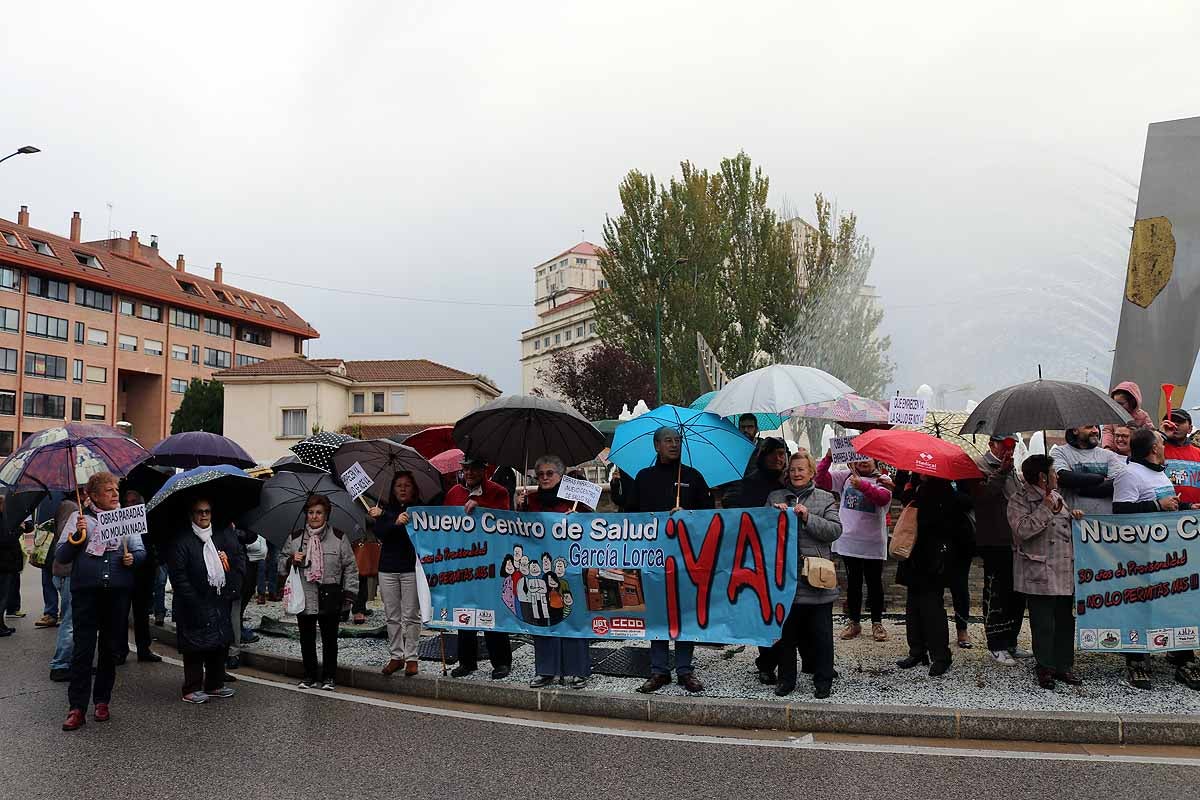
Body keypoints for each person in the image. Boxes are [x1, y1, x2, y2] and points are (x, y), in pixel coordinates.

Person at [55, 473, 147, 731]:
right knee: (83, 650)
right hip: (86, 593)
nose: (115, 494)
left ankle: (102, 701)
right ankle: (77, 707)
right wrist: (78, 538)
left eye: (115, 489)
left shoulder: (126, 517)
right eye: (108, 490)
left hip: (116, 593)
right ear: (92, 496)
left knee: (109, 649)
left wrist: (134, 559)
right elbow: (61, 556)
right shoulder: (79, 519)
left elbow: (141, 552)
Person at [625, 427, 713, 694]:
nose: (674, 445)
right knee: (657, 613)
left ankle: (685, 669)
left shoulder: (693, 477)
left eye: (677, 440)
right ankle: (659, 670)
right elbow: (628, 514)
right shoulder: (643, 477)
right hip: (652, 557)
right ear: (656, 446)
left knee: (684, 613)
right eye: (668, 441)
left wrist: (689, 514)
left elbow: (711, 517)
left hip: (685, 558)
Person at [1113, 427, 1200, 690]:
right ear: (1153, 449)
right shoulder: (1129, 474)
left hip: (1169, 554)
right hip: (1140, 555)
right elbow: (1120, 511)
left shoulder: (1160, 474)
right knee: (1138, 605)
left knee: (1175, 603)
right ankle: (1137, 660)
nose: (1164, 446)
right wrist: (1155, 507)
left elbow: (1167, 505)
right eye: (1161, 443)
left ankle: (1184, 659)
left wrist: (1186, 508)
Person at [767, 451, 842, 698]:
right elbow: (760, 531)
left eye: (802, 469)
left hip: (816, 579)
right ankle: (786, 679)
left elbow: (834, 530)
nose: (796, 473)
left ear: (812, 472)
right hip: (784, 578)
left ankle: (823, 680)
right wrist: (773, 518)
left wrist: (808, 517)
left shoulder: (825, 498)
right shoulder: (774, 497)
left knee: (821, 635)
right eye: (793, 469)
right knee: (786, 635)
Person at [1008, 455, 1085, 690]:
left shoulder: (1058, 496)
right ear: (1042, 477)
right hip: (1038, 569)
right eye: (1053, 472)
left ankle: (1064, 665)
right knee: (1043, 623)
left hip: (1063, 569)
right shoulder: (1019, 499)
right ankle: (1045, 667)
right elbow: (1022, 530)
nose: (1057, 476)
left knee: (1064, 620)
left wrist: (1074, 517)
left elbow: (1063, 525)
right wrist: (1044, 508)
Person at [516, 455, 590, 689]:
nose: (545, 478)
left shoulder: (576, 500)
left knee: (573, 617)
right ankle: (546, 670)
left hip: (570, 569)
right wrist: (518, 510)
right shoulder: (530, 500)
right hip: (540, 570)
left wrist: (579, 519)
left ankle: (577, 671)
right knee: (542, 620)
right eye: (540, 475)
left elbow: (595, 526)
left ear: (560, 475)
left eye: (550, 473)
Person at [166, 497, 245, 703]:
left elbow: (235, 559)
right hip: (193, 601)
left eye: (207, 511)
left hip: (218, 598)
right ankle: (191, 688)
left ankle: (214, 684)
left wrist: (231, 588)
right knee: (194, 645)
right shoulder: (182, 541)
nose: (204, 515)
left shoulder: (220, 536)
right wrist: (193, 600)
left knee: (218, 642)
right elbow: (179, 576)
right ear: (192, 515)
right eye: (199, 511)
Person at [894, 472, 973, 677]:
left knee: (932, 607)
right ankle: (917, 650)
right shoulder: (914, 483)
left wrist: (919, 496)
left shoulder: (945, 489)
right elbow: (902, 498)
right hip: (914, 553)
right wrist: (907, 485)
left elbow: (950, 514)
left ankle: (941, 655)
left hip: (935, 556)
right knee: (913, 606)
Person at [277, 494, 360, 690]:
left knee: (330, 638)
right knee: (306, 638)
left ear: (326, 515)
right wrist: (291, 560)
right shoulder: (295, 538)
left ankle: (329, 676)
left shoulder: (339, 537)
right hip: (304, 595)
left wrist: (349, 595)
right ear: (306, 514)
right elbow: (280, 565)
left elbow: (350, 567)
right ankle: (309, 675)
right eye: (311, 512)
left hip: (330, 593)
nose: (314, 516)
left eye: (319, 513)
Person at [444, 455, 512, 679]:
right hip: (462, 563)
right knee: (464, 613)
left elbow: (505, 520)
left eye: (474, 469)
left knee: (492, 612)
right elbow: (443, 525)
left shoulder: (498, 491)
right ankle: (467, 662)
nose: (470, 473)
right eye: (466, 469)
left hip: (490, 563)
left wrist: (481, 505)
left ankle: (501, 662)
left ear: (484, 470)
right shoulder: (453, 493)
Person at [816, 450, 893, 643]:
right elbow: (821, 480)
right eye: (858, 457)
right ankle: (854, 621)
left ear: (875, 458)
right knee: (854, 584)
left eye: (867, 456)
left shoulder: (883, 479)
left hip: (873, 542)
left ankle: (877, 622)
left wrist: (863, 486)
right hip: (849, 542)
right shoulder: (846, 477)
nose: (863, 461)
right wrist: (828, 459)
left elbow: (882, 499)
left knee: (875, 584)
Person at [966, 435, 1029, 666]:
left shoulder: (1012, 467)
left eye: (1011, 443)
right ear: (992, 444)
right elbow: (981, 496)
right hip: (994, 539)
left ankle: (1011, 640)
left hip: (1015, 538)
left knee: (1017, 594)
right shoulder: (978, 465)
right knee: (996, 592)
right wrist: (1001, 471)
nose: (1008, 448)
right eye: (1004, 443)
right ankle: (996, 644)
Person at [368, 472, 423, 677]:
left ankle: (412, 657)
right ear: (392, 489)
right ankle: (396, 656)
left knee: (411, 615)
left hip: (410, 568)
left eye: (407, 485)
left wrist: (400, 524)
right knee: (392, 616)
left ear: (414, 488)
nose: (402, 489)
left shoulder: (419, 510)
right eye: (398, 485)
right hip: (388, 568)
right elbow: (381, 533)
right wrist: (392, 522)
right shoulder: (384, 510)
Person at [120, 488, 161, 664]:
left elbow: (155, 541)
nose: (130, 506)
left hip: (144, 572)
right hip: (123, 571)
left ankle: (144, 649)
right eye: (127, 502)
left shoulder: (150, 519)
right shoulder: (117, 520)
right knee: (121, 612)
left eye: (134, 502)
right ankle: (120, 650)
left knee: (142, 613)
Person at [1051, 425, 1125, 516]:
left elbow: (1117, 484)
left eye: (1096, 427)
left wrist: (1078, 488)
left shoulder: (1108, 455)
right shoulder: (1060, 452)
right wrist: (1100, 478)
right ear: (1075, 430)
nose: (1095, 431)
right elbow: (1064, 478)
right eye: (1089, 427)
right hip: (1074, 521)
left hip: (1106, 521)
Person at [48, 497, 80, 681]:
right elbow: (65, 537)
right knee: (70, 619)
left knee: (72, 618)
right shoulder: (71, 508)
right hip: (67, 572)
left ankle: (71, 661)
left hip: (65, 572)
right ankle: (60, 664)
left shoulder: (70, 507)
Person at [1162, 409, 1200, 507]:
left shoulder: (1198, 453)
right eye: (1170, 421)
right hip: (1162, 516)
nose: (1174, 425)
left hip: (1195, 515)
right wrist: (1161, 435)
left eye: (1180, 422)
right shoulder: (1155, 450)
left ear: (1190, 428)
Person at [1101, 381, 1153, 450]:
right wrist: (1107, 447)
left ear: (1132, 402)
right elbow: (1107, 431)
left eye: (1121, 404)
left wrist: (1137, 432)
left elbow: (1151, 434)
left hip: (1135, 454)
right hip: (1115, 453)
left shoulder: (1142, 416)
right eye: (1115, 403)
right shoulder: (1112, 414)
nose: (1117, 406)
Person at [0, 495, 21, 638]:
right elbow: (5, 539)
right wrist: (17, 531)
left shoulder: (3, 518)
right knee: (2, 597)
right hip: (3, 563)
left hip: (6, 562)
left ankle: (1, 624)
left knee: (3, 596)